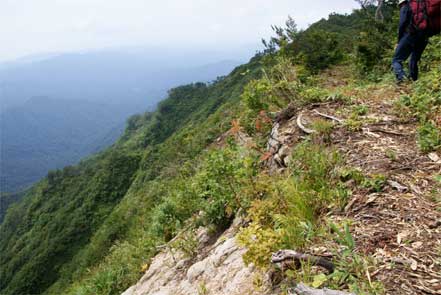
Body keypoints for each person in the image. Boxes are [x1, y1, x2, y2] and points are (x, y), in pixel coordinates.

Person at [392, 0, 428, 83]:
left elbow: (402, 24)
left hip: (411, 35)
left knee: (396, 60)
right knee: (413, 60)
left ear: (401, 3)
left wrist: (399, 41)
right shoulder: (420, 7)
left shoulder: (405, 7)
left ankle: (403, 80)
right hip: (423, 36)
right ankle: (414, 81)